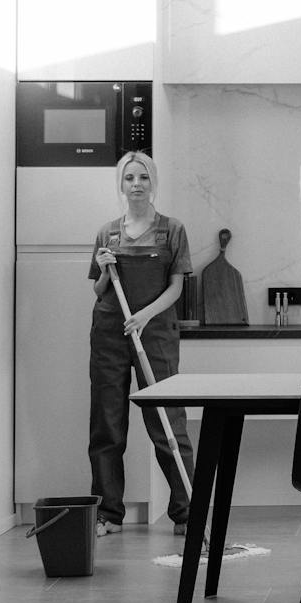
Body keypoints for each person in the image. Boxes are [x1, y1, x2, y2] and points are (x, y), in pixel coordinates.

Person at [88, 152, 195, 535]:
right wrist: (103, 268)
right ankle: (107, 513)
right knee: (107, 424)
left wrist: (144, 316)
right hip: (109, 334)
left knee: (167, 421)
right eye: (129, 178)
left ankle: (186, 512)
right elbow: (100, 290)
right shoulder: (107, 233)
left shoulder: (172, 230)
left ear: (153, 183)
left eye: (143, 177)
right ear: (121, 184)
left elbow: (177, 287)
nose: (136, 184)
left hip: (155, 334)